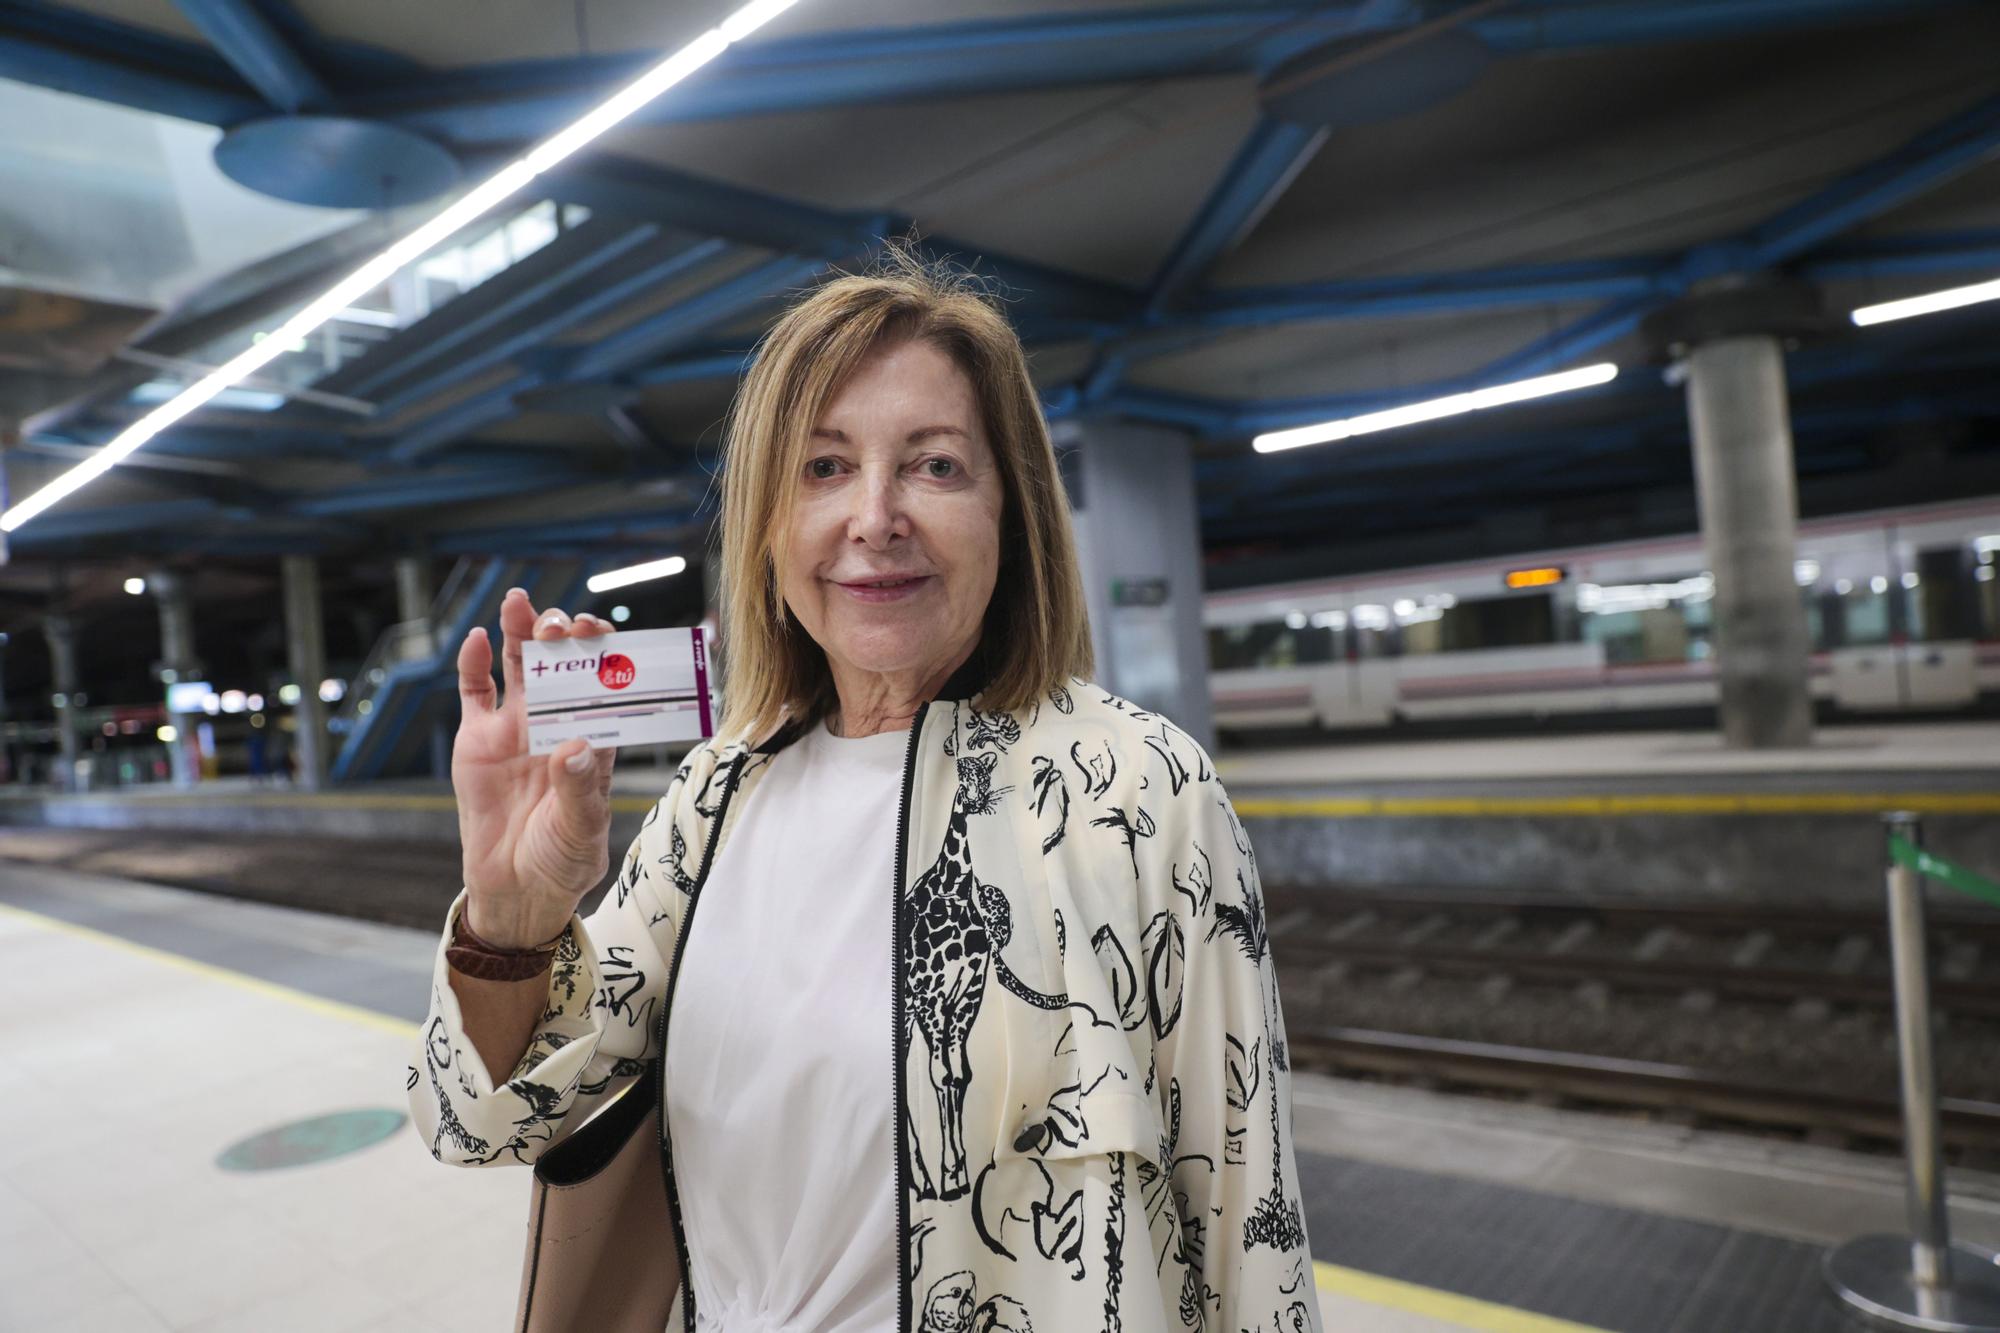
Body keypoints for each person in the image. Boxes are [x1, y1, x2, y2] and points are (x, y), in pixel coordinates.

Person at [408, 248, 1319, 1333]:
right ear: (766, 527)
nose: (874, 517)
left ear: (1009, 514)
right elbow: (480, 1123)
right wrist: (513, 911)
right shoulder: (716, 796)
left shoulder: (1139, 791)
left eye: (934, 466)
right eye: (823, 467)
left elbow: (1242, 1210)